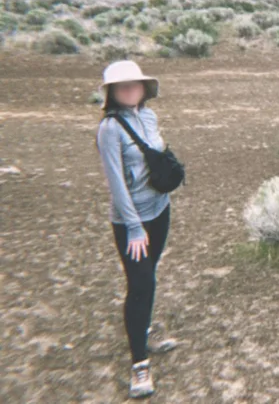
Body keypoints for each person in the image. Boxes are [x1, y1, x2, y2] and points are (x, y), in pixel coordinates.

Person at [95, 59, 178, 399]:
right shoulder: (109, 129)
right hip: (132, 221)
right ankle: (139, 362)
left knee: (150, 275)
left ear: (144, 87)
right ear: (112, 92)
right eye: (121, 86)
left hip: (160, 210)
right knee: (140, 284)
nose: (129, 89)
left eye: (135, 84)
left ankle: (142, 333)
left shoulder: (149, 116)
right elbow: (115, 183)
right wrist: (133, 227)